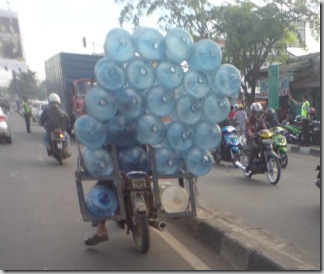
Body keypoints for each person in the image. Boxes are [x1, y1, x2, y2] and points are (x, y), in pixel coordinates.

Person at [245, 102, 267, 173]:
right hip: (251, 139)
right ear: (253, 112)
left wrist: (267, 132)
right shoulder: (249, 120)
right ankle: (249, 164)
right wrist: (251, 133)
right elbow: (248, 128)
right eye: (256, 113)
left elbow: (264, 128)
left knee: (265, 145)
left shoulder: (261, 120)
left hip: (259, 138)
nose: (258, 114)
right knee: (255, 147)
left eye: (259, 112)